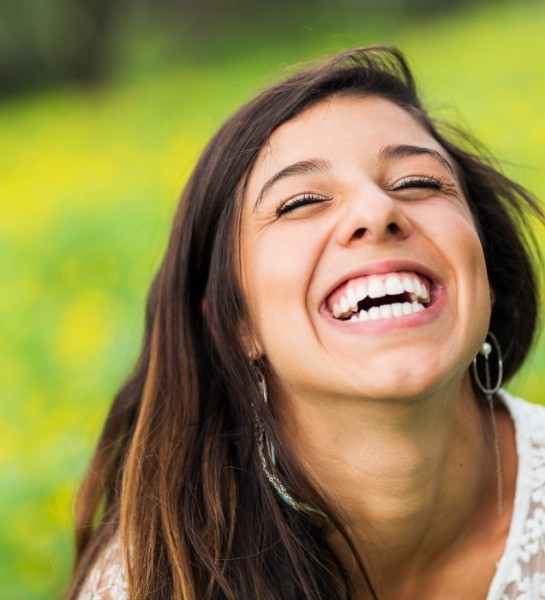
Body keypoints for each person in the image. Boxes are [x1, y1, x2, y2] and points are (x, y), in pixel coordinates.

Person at [67, 45, 545, 600]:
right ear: (234, 323)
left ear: (484, 260)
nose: (376, 211)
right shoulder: (153, 581)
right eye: (302, 202)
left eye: (419, 182)